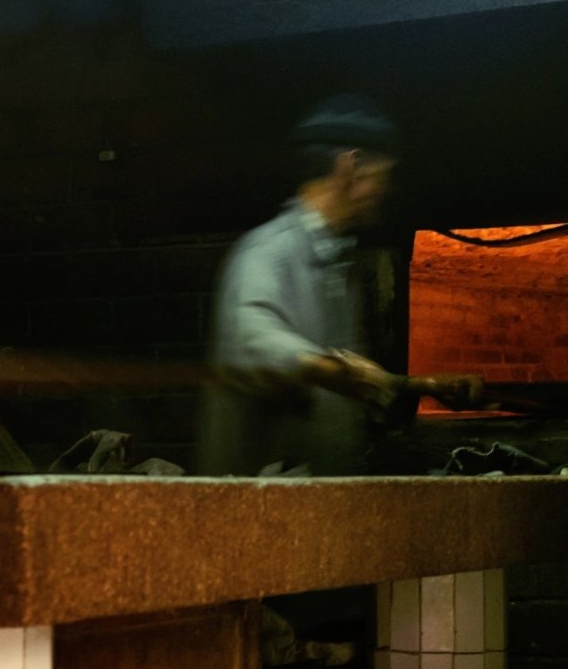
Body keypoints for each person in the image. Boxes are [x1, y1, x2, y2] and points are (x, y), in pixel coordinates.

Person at [194, 93, 479, 478]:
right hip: (256, 507)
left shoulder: (336, 261)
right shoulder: (266, 252)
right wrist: (338, 371)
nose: (386, 189)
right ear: (352, 165)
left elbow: (348, 381)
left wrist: (423, 385)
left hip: (317, 501)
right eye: (383, 175)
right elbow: (253, 339)